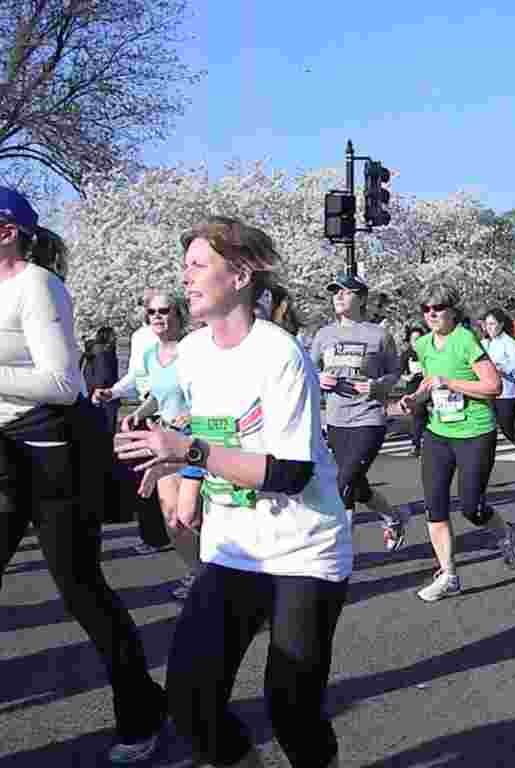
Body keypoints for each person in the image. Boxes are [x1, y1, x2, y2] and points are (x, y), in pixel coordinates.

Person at [114, 216, 351, 768]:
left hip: (302, 551)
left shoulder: (279, 354)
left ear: (240, 274)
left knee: (292, 707)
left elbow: (288, 473)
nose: (186, 278)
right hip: (232, 550)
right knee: (191, 700)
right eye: (186, 266)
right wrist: (179, 467)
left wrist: (188, 454)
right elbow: (207, 431)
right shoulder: (193, 353)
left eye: (198, 265)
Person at [0, 186, 167, 764]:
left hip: (50, 452)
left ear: (7, 231)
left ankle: (142, 710)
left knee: (79, 589)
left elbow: (62, 384)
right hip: (1, 453)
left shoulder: (38, 286)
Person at [398, 282, 515, 602]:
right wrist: (415, 399)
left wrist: (450, 382)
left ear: (453, 310)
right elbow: (430, 380)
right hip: (439, 432)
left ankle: (504, 533)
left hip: (475, 432)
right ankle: (449, 574)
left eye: (437, 308)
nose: (431, 314)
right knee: (434, 505)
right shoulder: (424, 344)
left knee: (471, 507)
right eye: (426, 309)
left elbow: (493, 386)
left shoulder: (465, 340)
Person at [310, 272, 407, 552]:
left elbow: (394, 374)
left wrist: (377, 385)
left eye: (346, 291)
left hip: (369, 418)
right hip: (337, 420)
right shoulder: (324, 335)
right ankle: (393, 517)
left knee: (343, 484)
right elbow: (308, 369)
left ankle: (335, 554)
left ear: (362, 299)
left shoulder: (379, 335)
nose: (338, 296)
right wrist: (318, 378)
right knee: (356, 485)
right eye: (335, 291)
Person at [122, 291, 201, 600]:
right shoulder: (150, 354)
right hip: (165, 442)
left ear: (179, 314)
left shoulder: (194, 350)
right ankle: (198, 574)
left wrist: (192, 415)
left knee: (194, 515)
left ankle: (224, 581)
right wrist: (137, 414)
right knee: (173, 520)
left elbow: (214, 391)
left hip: (196, 440)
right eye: (151, 311)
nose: (156, 315)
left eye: (163, 310)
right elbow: (157, 395)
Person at [483, 307, 515, 478]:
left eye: (493, 324)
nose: (489, 328)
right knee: (485, 431)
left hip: (506, 391)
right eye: (487, 324)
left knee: (507, 428)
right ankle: (482, 473)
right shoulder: (483, 343)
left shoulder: (509, 342)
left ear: (501, 324)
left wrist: (500, 368)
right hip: (485, 391)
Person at [81, 325, 120, 432]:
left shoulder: (92, 350)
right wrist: (100, 390)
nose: (116, 337)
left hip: (92, 393)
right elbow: (104, 373)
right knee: (107, 428)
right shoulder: (103, 351)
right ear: (106, 336)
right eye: (113, 335)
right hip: (105, 394)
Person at [399, 325, 428, 457]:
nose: (417, 341)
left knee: (429, 416)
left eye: (420, 338)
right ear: (410, 341)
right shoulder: (407, 354)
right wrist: (407, 376)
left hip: (428, 386)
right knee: (418, 415)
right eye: (414, 339)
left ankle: (428, 444)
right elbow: (399, 373)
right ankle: (415, 445)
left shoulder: (429, 352)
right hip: (413, 388)